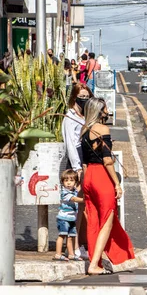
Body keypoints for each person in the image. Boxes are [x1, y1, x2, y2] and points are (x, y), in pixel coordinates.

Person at [81, 98, 135, 275]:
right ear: (99, 110)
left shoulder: (84, 130)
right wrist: (117, 184)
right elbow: (107, 160)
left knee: (94, 220)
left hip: (88, 176)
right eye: (105, 107)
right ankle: (94, 263)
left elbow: (84, 161)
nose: (107, 109)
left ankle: (94, 259)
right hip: (101, 177)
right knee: (107, 219)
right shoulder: (103, 129)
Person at [62, 83, 93, 258]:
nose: (84, 100)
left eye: (87, 97)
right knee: (73, 207)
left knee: (82, 207)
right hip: (76, 161)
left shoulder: (84, 116)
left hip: (85, 158)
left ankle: (77, 244)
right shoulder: (69, 117)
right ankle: (72, 247)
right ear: (74, 98)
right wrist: (77, 168)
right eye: (81, 97)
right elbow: (70, 145)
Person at [54, 169, 84, 261]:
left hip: (71, 218)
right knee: (62, 235)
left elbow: (78, 189)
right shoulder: (64, 192)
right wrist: (84, 200)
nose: (68, 183)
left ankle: (71, 254)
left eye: (71, 180)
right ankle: (58, 254)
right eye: (66, 180)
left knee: (71, 236)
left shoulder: (74, 190)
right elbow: (73, 199)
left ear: (75, 182)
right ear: (62, 182)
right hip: (63, 218)